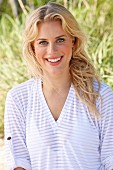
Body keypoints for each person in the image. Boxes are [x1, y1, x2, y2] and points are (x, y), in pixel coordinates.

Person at [4, 2, 113, 170]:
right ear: (32, 47)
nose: (52, 50)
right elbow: (18, 160)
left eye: (60, 40)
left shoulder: (100, 94)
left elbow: (110, 157)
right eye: (42, 42)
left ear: (73, 42)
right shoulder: (19, 98)